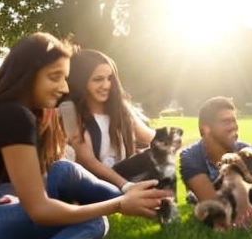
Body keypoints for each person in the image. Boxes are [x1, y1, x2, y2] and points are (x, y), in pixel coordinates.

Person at [0, 32, 170, 239]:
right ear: (28, 75)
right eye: (55, 77)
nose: (64, 87)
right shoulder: (14, 115)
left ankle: (140, 199)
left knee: (63, 170)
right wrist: (118, 206)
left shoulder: (3, 108)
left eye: (65, 78)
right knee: (92, 219)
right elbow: (39, 210)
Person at [65, 48, 180, 195]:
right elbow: (87, 160)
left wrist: (169, 142)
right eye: (98, 79)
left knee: (160, 151)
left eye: (110, 78)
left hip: (122, 173)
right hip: (91, 179)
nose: (106, 85)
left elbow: (149, 136)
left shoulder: (119, 107)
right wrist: (125, 186)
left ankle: (165, 201)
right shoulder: (69, 109)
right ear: (81, 80)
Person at [180, 96, 248, 203]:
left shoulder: (245, 150)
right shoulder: (191, 156)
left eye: (234, 121)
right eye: (226, 122)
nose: (233, 127)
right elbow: (213, 204)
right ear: (206, 129)